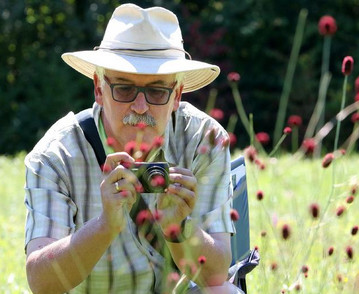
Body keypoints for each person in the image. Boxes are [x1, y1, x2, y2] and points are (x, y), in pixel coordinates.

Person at [24, 3, 240, 293]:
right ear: (99, 89)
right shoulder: (55, 155)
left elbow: (216, 275)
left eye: (157, 91)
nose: (140, 106)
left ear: (176, 95)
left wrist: (179, 226)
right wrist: (103, 225)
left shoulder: (204, 138)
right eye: (124, 89)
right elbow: (40, 282)